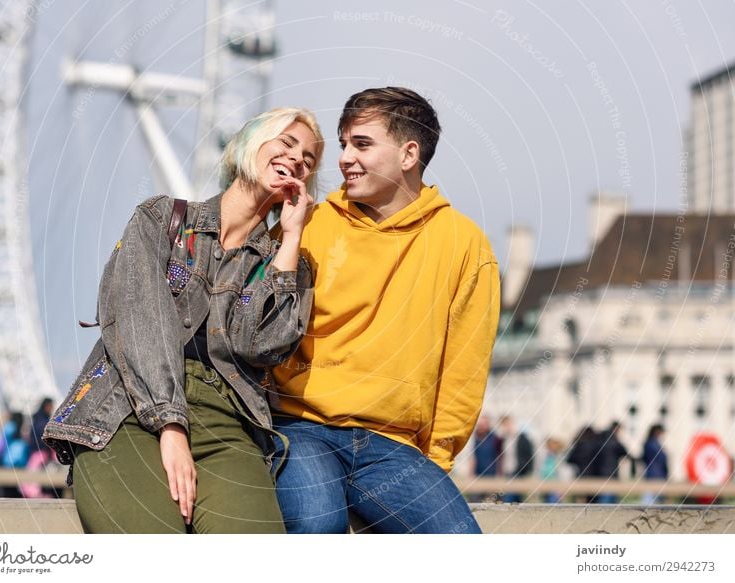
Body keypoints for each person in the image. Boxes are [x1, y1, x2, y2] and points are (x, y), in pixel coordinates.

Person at [43, 107, 323, 533]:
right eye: (287, 142)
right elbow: (142, 324)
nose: (298, 159)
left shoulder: (287, 267)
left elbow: (261, 346)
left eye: (308, 159)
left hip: (227, 419)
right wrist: (170, 426)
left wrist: (292, 238)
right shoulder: (161, 220)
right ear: (250, 144)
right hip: (127, 408)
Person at [271, 87, 501, 533]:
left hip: (393, 448)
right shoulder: (309, 225)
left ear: (408, 153)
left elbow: (464, 368)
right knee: (318, 528)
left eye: (361, 143)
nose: (343, 158)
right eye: (342, 144)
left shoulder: (465, 245)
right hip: (302, 429)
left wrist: (434, 462)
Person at [498, 415, 534, 503]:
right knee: (515, 498)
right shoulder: (505, 440)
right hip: (507, 472)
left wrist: (526, 470)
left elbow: (528, 456)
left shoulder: (522, 438)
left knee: (510, 497)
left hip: (518, 472)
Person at [595, 421, 631, 504]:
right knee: (607, 499)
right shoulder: (614, 441)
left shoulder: (601, 438)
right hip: (610, 473)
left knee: (605, 498)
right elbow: (624, 452)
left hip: (601, 472)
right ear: (616, 429)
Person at [641, 423, 668, 505]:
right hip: (655, 476)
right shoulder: (653, 444)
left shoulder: (651, 443)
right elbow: (661, 460)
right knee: (650, 502)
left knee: (652, 502)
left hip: (653, 475)